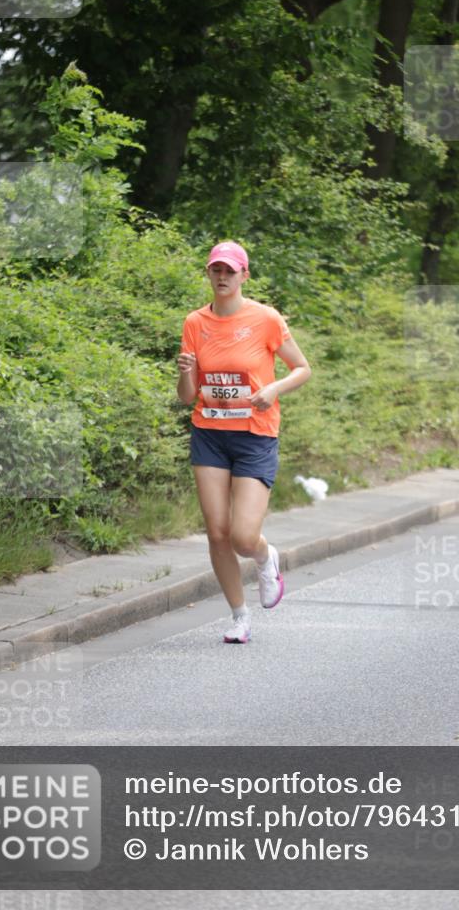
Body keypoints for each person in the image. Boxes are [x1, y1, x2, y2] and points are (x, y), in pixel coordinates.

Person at [176, 241, 312, 644]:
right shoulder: (194, 323)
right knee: (217, 533)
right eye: (215, 270)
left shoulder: (265, 319)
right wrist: (186, 372)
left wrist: (273, 389)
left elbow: (302, 368)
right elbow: (187, 396)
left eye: (229, 271)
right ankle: (239, 617)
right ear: (209, 274)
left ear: (244, 276)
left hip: (255, 436)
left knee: (242, 536)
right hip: (210, 434)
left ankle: (265, 557)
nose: (221, 277)